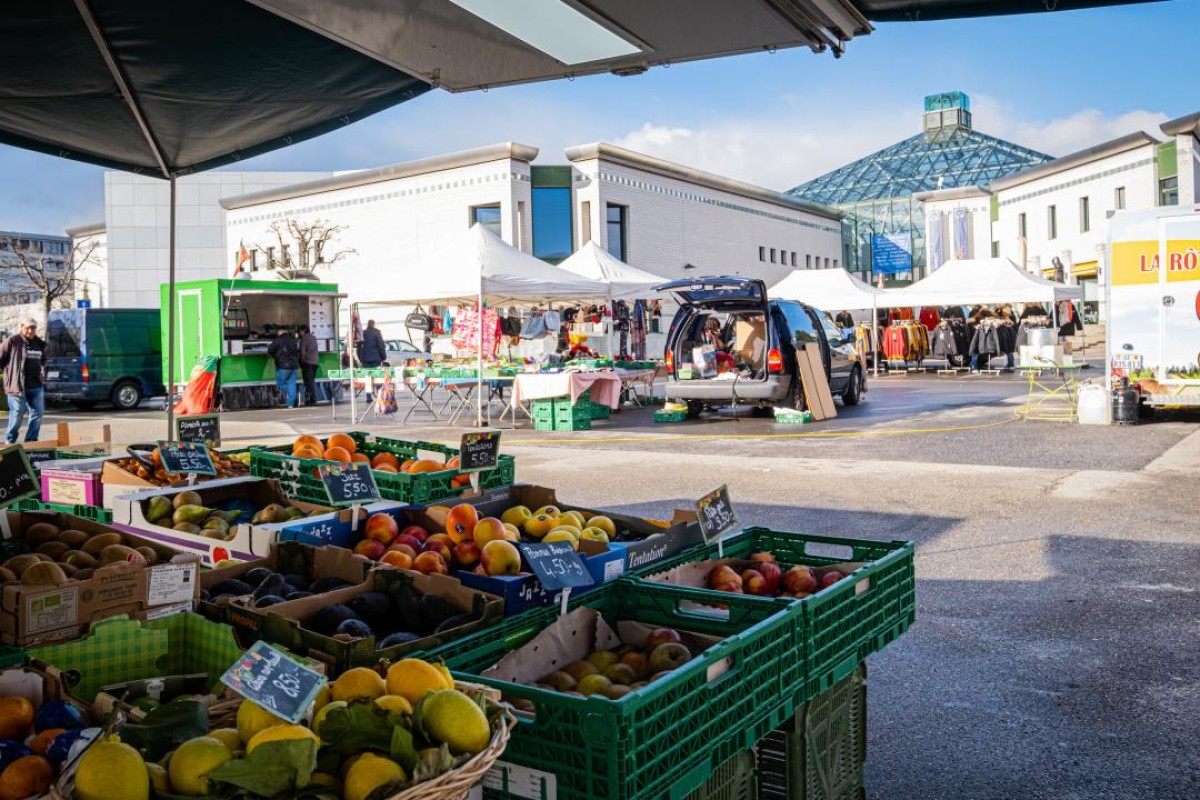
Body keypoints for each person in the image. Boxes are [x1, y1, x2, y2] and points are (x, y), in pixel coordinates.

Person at [0, 319, 46, 443]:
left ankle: (31, 441)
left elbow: (44, 360)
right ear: (22, 327)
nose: (30, 331)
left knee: (38, 413)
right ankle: (10, 441)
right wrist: (8, 376)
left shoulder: (39, 343)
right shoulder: (12, 341)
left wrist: (43, 371)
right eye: (28, 328)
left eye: (33, 328)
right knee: (17, 414)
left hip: (36, 386)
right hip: (16, 387)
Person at [267, 327, 300, 408]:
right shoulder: (293, 340)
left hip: (283, 365)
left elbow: (270, 349)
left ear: (280, 332)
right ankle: (290, 404)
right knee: (292, 383)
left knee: (280, 383)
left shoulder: (278, 340)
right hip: (295, 365)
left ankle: (293, 396)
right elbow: (298, 350)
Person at [298, 325, 320, 406]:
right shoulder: (313, 337)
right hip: (315, 362)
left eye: (300, 331)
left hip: (308, 362)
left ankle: (313, 398)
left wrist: (302, 361)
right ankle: (309, 397)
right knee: (311, 380)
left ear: (303, 331)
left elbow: (302, 351)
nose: (300, 333)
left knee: (308, 381)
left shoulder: (304, 338)